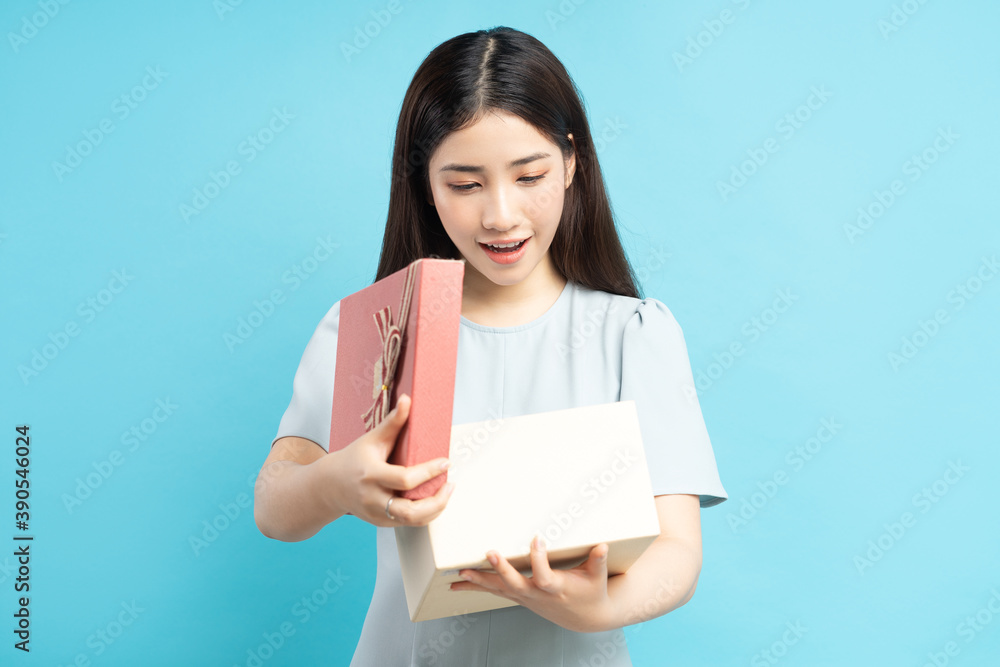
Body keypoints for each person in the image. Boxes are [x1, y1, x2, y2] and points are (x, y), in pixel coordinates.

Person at [254, 25, 728, 666]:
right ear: (424, 181)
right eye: (466, 184)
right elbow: (275, 508)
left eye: (529, 175)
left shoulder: (634, 335)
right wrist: (336, 483)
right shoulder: (374, 329)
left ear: (571, 162)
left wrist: (598, 608)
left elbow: (679, 552)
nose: (501, 215)